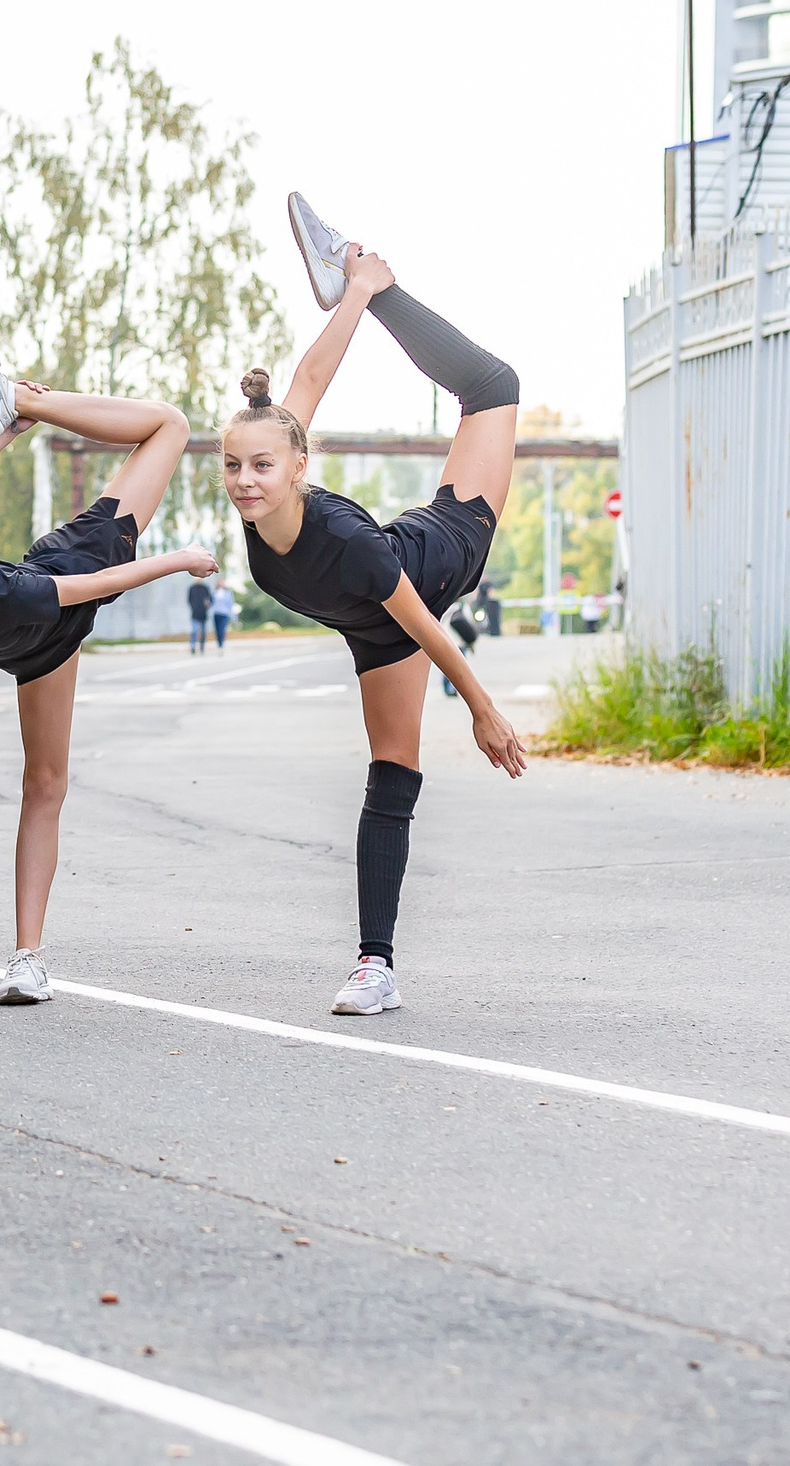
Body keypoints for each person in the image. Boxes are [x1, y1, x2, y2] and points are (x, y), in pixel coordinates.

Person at [231, 193, 529, 1016]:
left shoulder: (343, 539)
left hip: (438, 557)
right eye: (233, 467)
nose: (245, 481)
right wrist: (347, 300)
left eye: (261, 466)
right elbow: (309, 378)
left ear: (297, 467)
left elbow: (427, 626)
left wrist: (485, 711)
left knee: (492, 385)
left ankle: (368, 267)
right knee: (392, 774)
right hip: (378, 620)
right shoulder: (262, 515)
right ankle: (375, 967)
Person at [0, 335, 217, 1003]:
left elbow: (92, 588)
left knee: (171, 425)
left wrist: (178, 558)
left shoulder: (2, 590)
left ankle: (15, 395)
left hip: (80, 569)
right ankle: (26, 961)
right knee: (43, 784)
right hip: (43, 647)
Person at [186, 576, 213, 654]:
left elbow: (210, 599)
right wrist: (193, 607)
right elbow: (189, 600)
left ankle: (202, 647)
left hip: (203, 613)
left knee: (203, 632)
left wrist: (207, 605)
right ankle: (193, 646)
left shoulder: (205, 588)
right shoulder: (192, 588)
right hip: (195, 613)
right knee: (194, 631)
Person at [209, 580, 236, 650]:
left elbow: (231, 604)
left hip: (224, 613)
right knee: (217, 630)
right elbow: (211, 603)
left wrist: (233, 616)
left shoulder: (228, 593)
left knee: (222, 629)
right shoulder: (214, 592)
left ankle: (221, 644)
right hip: (216, 613)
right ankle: (218, 644)